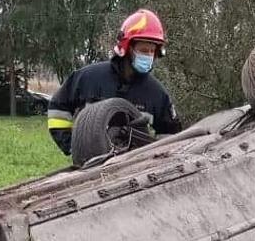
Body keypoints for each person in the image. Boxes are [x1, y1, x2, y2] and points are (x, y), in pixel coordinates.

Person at [45, 9, 181, 155]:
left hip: (134, 170)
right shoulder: (88, 78)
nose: (148, 55)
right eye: (143, 50)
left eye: (152, 51)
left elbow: (171, 135)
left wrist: (155, 158)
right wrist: (72, 146)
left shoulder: (156, 93)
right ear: (127, 48)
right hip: (89, 166)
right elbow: (57, 110)